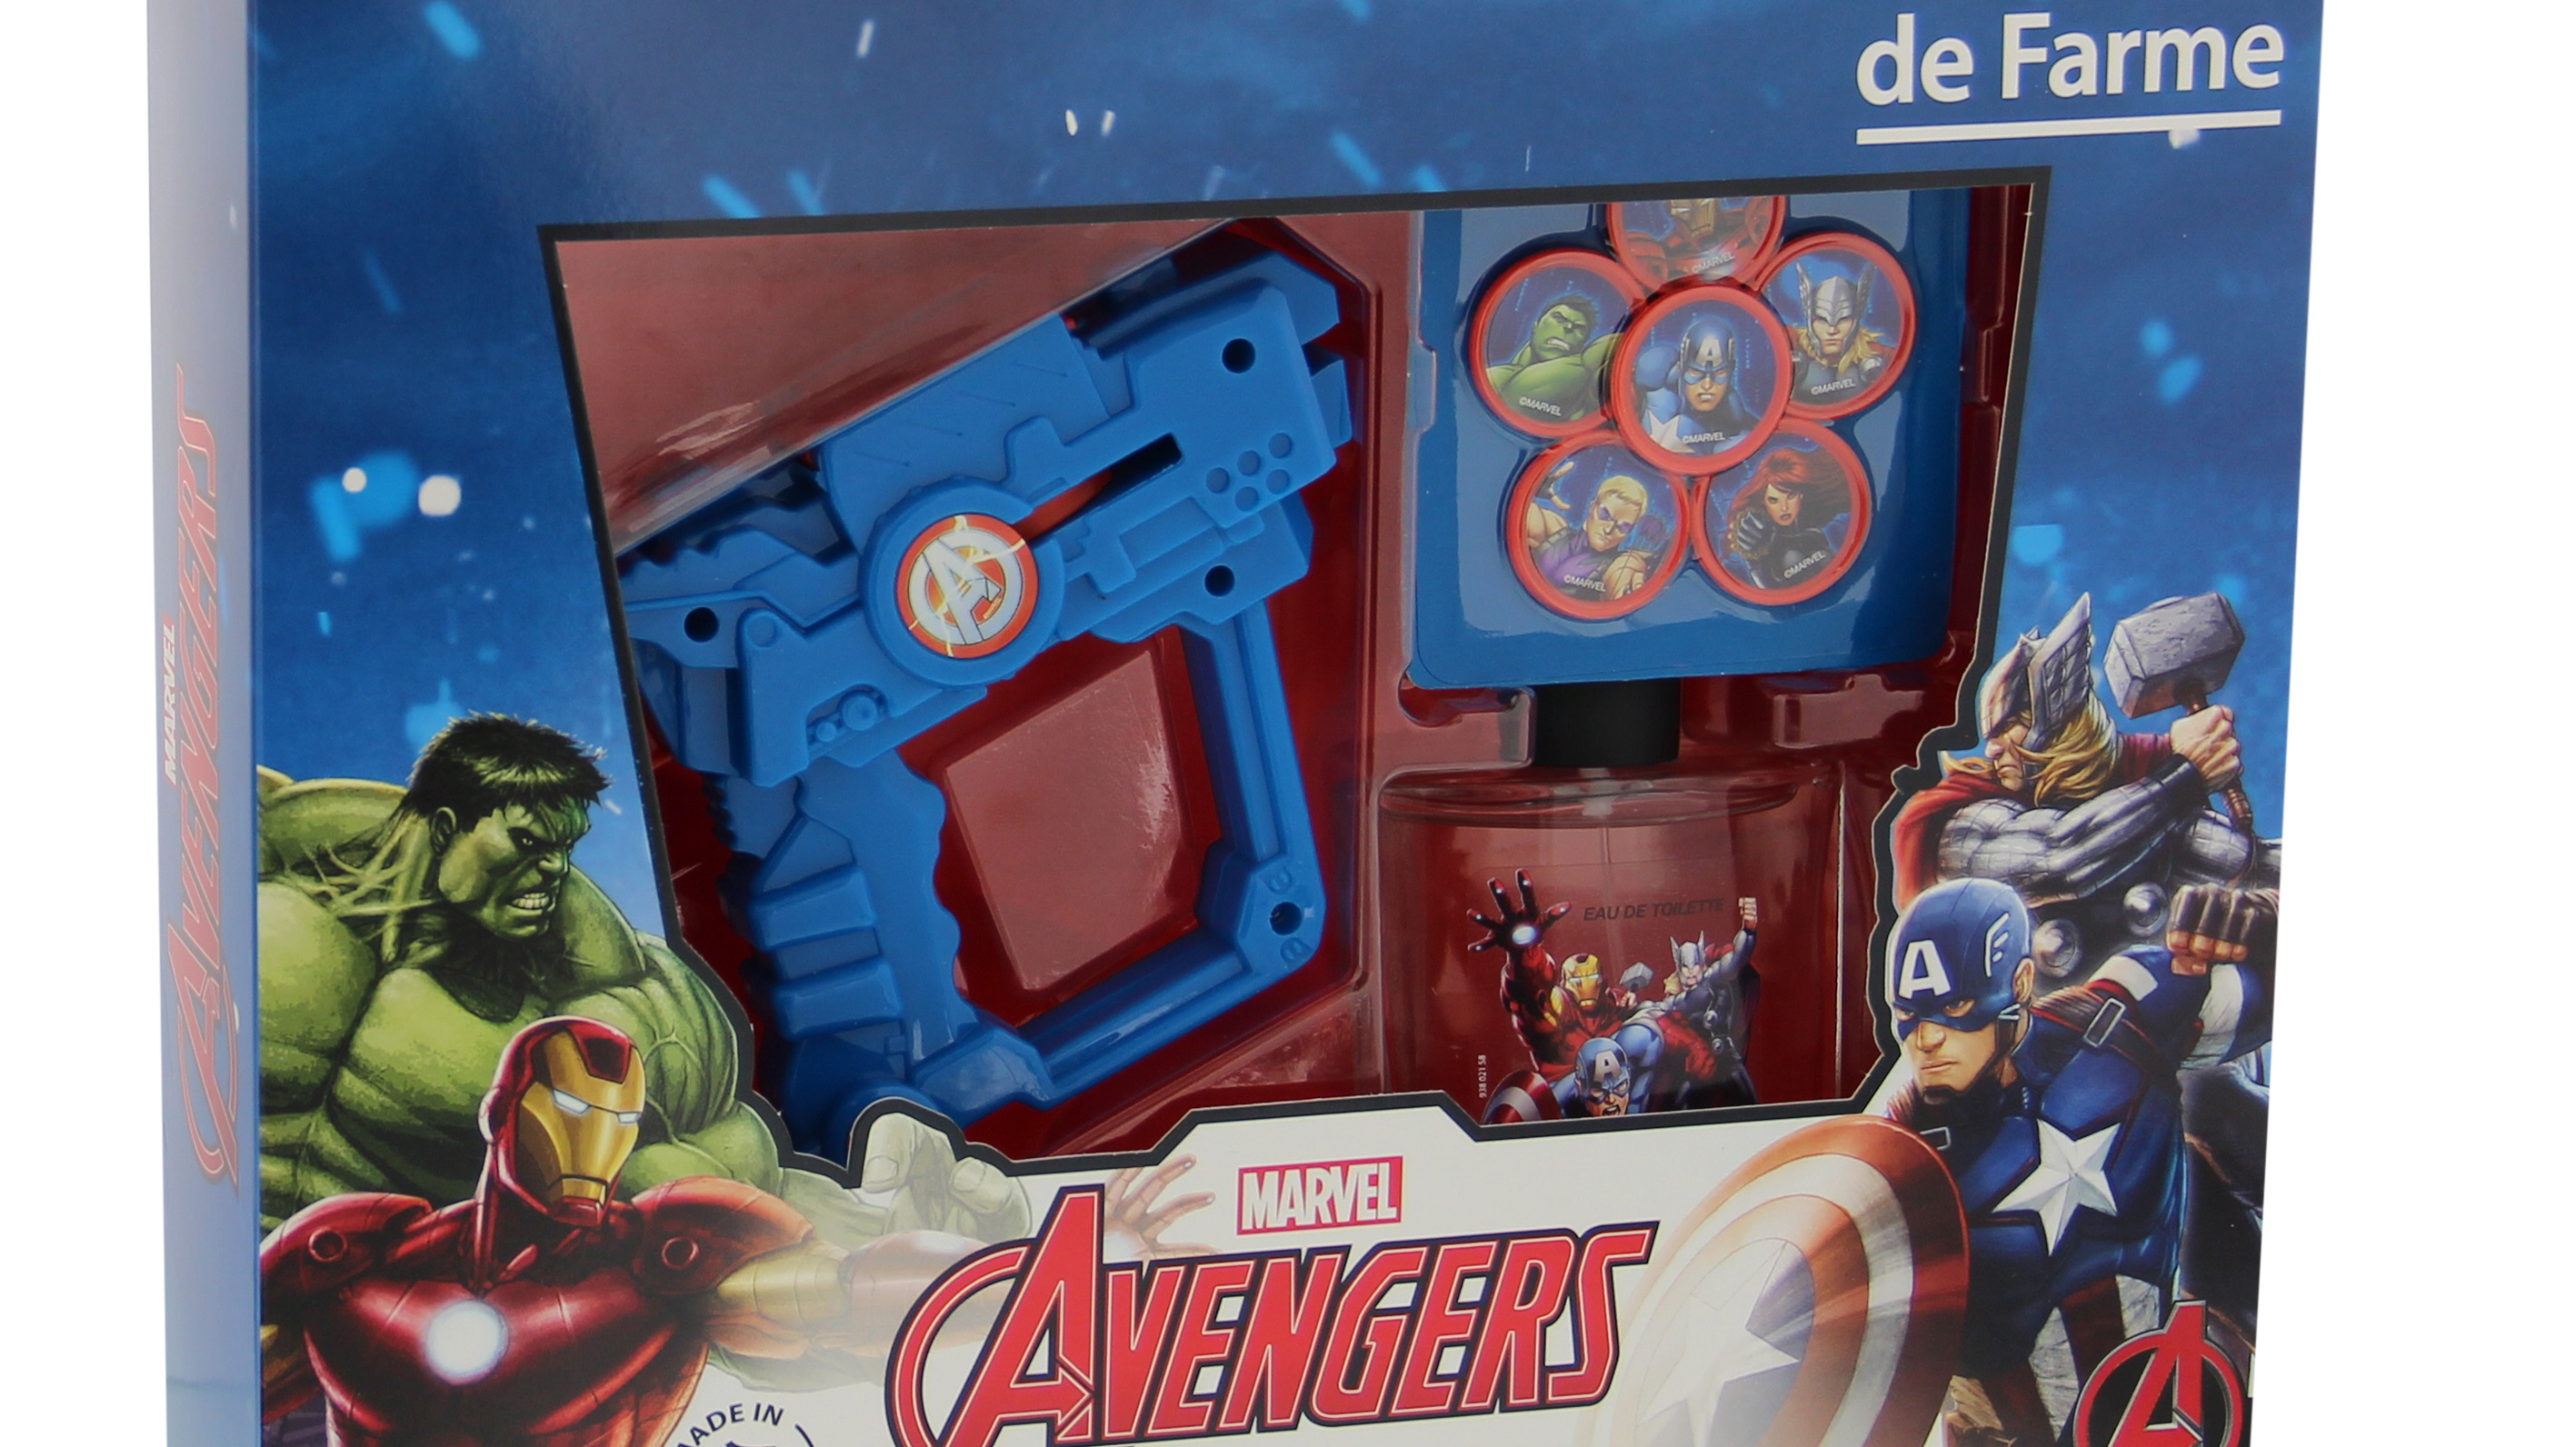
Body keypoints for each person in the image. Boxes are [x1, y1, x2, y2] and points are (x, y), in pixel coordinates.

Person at [256, 714, 1026, 1400]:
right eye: (527, 841)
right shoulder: (264, 874)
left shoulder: (598, 1020)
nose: (553, 870)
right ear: (448, 825)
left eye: (563, 847)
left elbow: (702, 1229)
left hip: (395, 1384)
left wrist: (876, 1252)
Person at [262, 1018, 1206, 1446]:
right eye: (571, 1108)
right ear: (502, 1108)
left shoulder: (658, 1261)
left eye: (619, 1118)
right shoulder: (356, 1255)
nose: (597, 1139)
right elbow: (225, 1383)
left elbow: (862, 1291)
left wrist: (1074, 1270)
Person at [1880, 879, 2273, 1446]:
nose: (1927, 1040)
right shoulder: (1896, 1153)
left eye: (1956, 1007)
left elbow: (2283, 990)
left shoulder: (2126, 1016)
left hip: (2170, 1413)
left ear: (2019, 984)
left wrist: (2263, 924)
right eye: (1907, 1015)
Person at [1523, 469, 1665, 603]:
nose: (1608, 529)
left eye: (1623, 526)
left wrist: (1629, 592)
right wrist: (1531, 487)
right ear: (1593, 506)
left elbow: (1622, 579)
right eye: (1605, 515)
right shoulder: (1555, 529)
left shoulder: (1621, 565)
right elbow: (1522, 515)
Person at [1722, 446, 1850, 591]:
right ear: (1763, 501)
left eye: (1791, 496)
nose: (1784, 508)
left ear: (1801, 495)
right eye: (1773, 500)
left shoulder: (1815, 520)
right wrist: (1755, 560)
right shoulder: (1756, 532)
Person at [1636, 316, 1766, 456]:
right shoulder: (1661, 396)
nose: (1707, 385)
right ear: (1680, 369)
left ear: (1731, 371)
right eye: (1696, 372)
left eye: (1720, 373)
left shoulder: (1733, 411)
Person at [1486, 291, 1618, 424]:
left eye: (1580, 328)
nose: (1568, 327)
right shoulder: (1495, 377)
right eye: (1559, 318)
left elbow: (1593, 358)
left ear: (1583, 343)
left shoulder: (1587, 386)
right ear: (1536, 325)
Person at [1783, 261, 1891, 405]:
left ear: (1855, 320)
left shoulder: (1874, 352)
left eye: (1843, 320)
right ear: (1810, 320)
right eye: (1822, 320)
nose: (1832, 331)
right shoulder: (1792, 342)